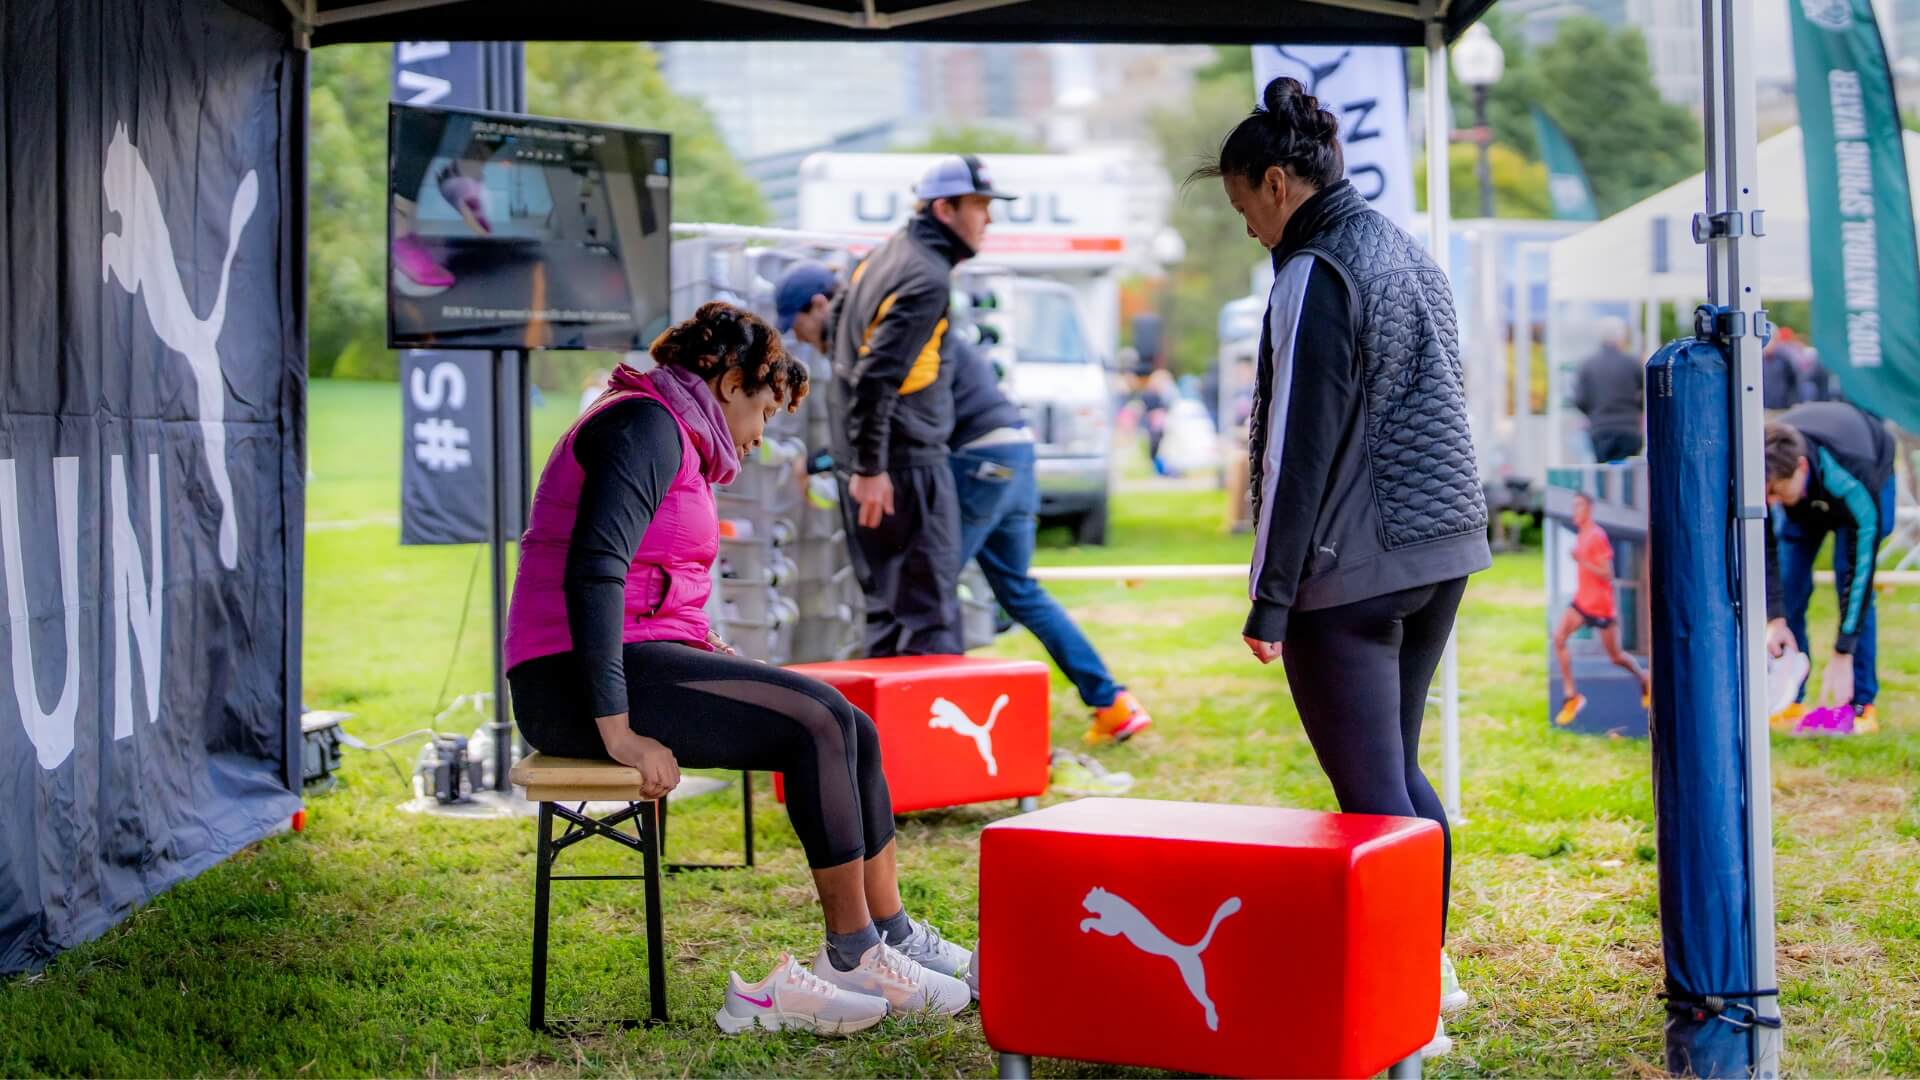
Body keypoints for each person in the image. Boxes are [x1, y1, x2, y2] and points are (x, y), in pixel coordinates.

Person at [503, 303, 973, 1036]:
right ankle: (852, 957)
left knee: (851, 722)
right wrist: (620, 732)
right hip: (568, 680)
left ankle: (893, 933)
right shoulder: (642, 425)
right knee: (813, 723)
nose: (761, 434)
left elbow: (657, 589)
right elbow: (595, 573)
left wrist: (716, 657)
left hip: (632, 657)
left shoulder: (674, 437)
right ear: (727, 383)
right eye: (763, 408)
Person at [1200, 76, 1493, 1058]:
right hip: (1440, 546)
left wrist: (1270, 597)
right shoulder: (1404, 249)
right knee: (1398, 776)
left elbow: (1297, 447)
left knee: (1372, 794)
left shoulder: (1315, 269)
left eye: (1245, 206)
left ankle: (1407, 997)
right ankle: (1432, 970)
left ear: (1278, 182)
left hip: (1352, 565)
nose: (1249, 229)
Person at [828, 155, 1012, 657]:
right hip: (903, 469)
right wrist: (871, 465)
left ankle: (882, 739)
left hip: (878, 465)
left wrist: (857, 460)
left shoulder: (882, 254)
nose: (989, 220)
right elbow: (874, 376)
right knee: (929, 619)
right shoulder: (925, 275)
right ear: (944, 209)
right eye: (980, 207)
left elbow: (838, 346)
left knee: (888, 616)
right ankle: (929, 738)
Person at [946, 335, 1155, 744]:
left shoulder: (906, 328)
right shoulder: (944, 334)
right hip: (1019, 452)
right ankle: (1113, 703)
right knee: (1018, 589)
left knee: (929, 590)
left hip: (980, 459)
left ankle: (931, 723)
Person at [1763, 402, 1897, 736]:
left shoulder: (1854, 477)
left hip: (1867, 474)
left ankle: (1860, 703)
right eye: (1767, 495)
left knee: (1848, 583)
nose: (1772, 503)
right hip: (1809, 499)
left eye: (1777, 492)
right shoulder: (1768, 479)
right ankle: (1791, 697)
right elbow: (1766, 554)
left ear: (1801, 468)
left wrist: (1842, 652)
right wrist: (1775, 616)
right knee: (1791, 586)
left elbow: (1860, 571)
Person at [1551, 493, 1651, 726]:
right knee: (1558, 638)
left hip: (1602, 607)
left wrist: (1581, 561)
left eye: (1579, 506)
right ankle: (1571, 696)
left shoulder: (1597, 536)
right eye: (1573, 506)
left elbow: (1608, 574)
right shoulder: (1581, 536)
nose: (1575, 511)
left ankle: (1644, 677)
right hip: (1582, 603)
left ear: (1590, 509)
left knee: (1616, 657)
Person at [1571, 315, 1644, 462]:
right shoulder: (1632, 363)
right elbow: (1647, 393)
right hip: (1629, 428)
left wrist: (1595, 413)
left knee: (1604, 477)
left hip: (1600, 429)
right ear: (1622, 337)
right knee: (1630, 478)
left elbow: (1580, 400)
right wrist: (1636, 409)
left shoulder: (1587, 365)